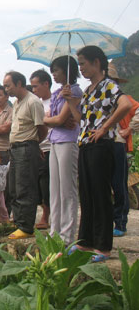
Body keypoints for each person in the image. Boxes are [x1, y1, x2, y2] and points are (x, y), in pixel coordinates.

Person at [63, 45, 131, 262]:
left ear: (96, 62)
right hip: (85, 143)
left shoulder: (108, 85)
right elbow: (80, 118)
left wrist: (104, 127)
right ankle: (85, 242)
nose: (81, 68)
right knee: (87, 193)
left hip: (102, 145)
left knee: (101, 194)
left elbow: (125, 104)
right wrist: (69, 100)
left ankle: (103, 246)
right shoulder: (89, 90)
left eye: (83, 63)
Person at [3, 71, 47, 239]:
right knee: (13, 187)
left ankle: (26, 227)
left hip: (26, 148)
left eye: (8, 85)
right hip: (14, 149)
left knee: (25, 188)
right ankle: (18, 222)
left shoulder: (33, 102)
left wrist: (34, 145)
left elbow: (42, 128)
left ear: (19, 83)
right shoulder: (16, 103)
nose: (6, 89)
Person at [43, 56, 82, 245]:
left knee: (67, 189)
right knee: (55, 189)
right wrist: (53, 120)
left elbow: (57, 120)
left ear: (67, 70)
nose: (54, 75)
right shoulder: (57, 92)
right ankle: (54, 231)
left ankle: (67, 235)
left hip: (68, 141)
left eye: (56, 71)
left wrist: (53, 120)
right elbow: (50, 118)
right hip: (55, 141)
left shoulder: (74, 91)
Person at [107, 64, 139, 237]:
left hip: (117, 143)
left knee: (119, 184)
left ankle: (120, 222)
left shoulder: (124, 98)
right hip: (101, 145)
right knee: (104, 184)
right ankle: (108, 221)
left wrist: (129, 129)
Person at [30, 69, 52, 230]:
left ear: (46, 84)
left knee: (46, 183)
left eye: (36, 86)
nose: (34, 90)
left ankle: (46, 216)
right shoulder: (36, 102)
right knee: (36, 183)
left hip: (50, 147)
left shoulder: (55, 101)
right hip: (36, 148)